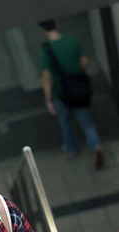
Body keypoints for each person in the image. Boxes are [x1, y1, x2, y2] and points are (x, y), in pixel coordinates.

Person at [39, 19, 105, 169]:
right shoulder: (72, 40)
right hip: (78, 88)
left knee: (65, 122)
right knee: (87, 121)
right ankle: (96, 146)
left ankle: (72, 148)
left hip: (60, 93)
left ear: (43, 30)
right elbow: (83, 62)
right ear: (56, 25)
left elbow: (46, 76)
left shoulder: (46, 50)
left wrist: (48, 99)